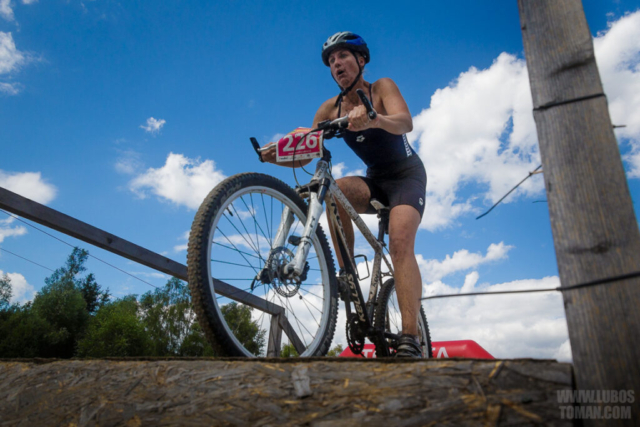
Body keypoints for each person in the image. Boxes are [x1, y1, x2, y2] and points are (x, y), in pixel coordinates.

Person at [261, 32, 427, 358]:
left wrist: (374, 119)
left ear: (361, 60)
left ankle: (411, 336)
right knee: (335, 193)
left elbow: (404, 122)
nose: (337, 64)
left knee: (400, 243)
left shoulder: (381, 88)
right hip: (375, 179)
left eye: (343, 56)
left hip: (406, 177)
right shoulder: (329, 108)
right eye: (331, 61)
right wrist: (275, 155)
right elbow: (308, 150)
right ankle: (347, 274)